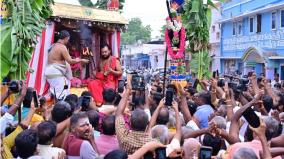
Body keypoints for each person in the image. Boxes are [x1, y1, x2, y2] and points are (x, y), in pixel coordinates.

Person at [45, 30, 89, 99]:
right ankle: (61, 108)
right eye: (68, 39)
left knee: (60, 90)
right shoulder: (62, 47)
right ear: (66, 38)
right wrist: (81, 60)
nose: (68, 41)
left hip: (49, 73)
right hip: (55, 73)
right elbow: (70, 61)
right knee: (61, 95)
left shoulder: (53, 46)